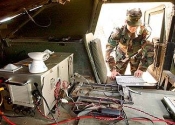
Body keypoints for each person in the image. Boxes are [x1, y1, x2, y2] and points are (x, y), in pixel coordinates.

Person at [105, 8, 154, 79]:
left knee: (136, 77)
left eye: (136, 26)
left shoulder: (144, 32)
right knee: (117, 76)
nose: (133, 29)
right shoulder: (118, 32)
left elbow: (150, 51)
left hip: (136, 54)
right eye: (131, 26)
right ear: (126, 22)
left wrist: (142, 68)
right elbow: (109, 51)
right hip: (121, 54)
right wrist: (112, 69)